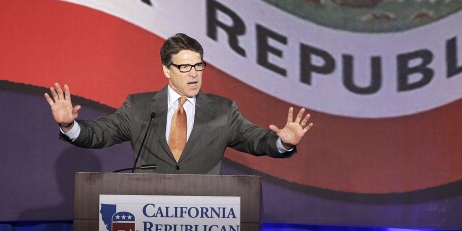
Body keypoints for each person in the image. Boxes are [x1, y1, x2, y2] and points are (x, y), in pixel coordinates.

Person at [44, 33, 313, 174]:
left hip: (204, 219)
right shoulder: (139, 107)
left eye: (198, 65)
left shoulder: (222, 111)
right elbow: (100, 133)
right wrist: (69, 126)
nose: (194, 73)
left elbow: (255, 139)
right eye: (185, 67)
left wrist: (283, 143)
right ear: (167, 70)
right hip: (148, 217)